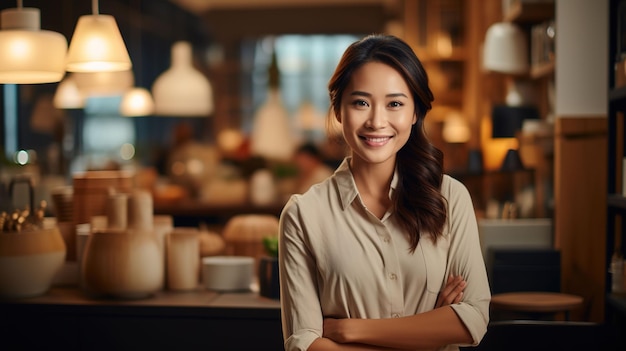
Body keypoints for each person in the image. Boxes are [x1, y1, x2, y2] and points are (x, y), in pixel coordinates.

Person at [278, 34, 490, 351]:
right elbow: (305, 343)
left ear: (415, 112)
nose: (377, 121)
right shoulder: (303, 215)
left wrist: (351, 331)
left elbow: (472, 320)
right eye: (361, 102)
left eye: (394, 104)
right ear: (338, 110)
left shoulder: (449, 198)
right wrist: (428, 330)